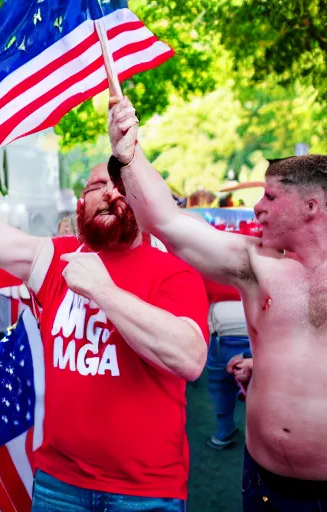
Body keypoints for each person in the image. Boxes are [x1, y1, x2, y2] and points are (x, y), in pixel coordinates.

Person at [0, 90, 209, 510]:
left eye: (120, 185)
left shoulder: (172, 268)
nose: (109, 193)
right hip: (57, 484)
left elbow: (189, 359)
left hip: (144, 492)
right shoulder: (57, 257)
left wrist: (104, 291)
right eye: (97, 186)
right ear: (81, 203)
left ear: (142, 197)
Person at [109, 95, 327, 511]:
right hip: (264, 482)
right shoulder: (255, 262)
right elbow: (167, 222)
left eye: (271, 197)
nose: (256, 208)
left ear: (311, 207)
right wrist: (129, 153)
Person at [204, 277, 251, 450]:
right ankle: (225, 430)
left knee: (263, 388)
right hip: (220, 335)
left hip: (258, 333)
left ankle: (228, 431)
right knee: (220, 385)